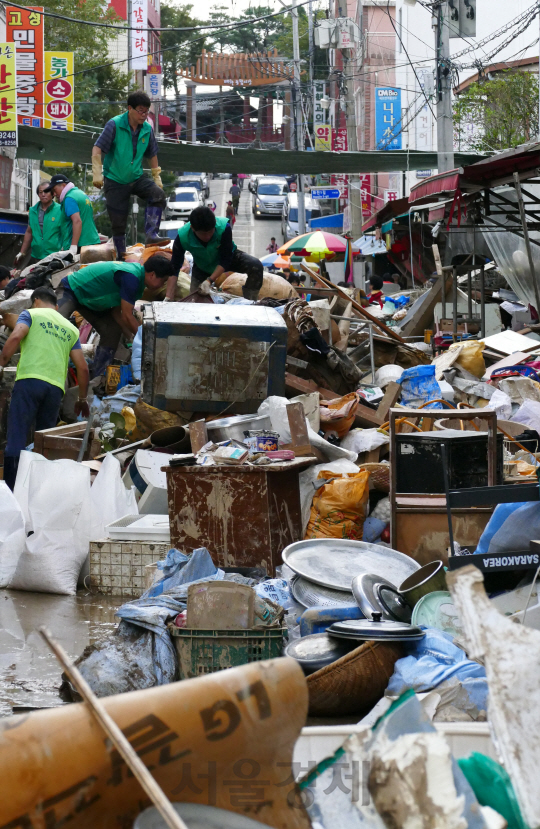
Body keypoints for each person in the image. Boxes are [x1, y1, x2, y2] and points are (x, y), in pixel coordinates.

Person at [0, 286, 89, 490]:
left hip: (29, 382)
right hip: (55, 389)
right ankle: (38, 492)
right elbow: (82, 368)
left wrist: (1, 364)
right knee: (43, 441)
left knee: (16, 437)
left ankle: (12, 492)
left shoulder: (30, 314)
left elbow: (15, 337)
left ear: (36, 301)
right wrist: (82, 400)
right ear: (56, 306)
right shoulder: (70, 328)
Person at [58, 254, 174, 378]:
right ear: (152, 275)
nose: (162, 286)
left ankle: (97, 377)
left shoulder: (138, 283)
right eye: (163, 281)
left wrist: (131, 338)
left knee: (112, 330)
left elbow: (117, 313)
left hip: (90, 301)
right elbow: (127, 316)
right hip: (71, 289)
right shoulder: (131, 278)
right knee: (55, 323)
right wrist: (146, 340)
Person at [91, 90, 167, 260]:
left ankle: (151, 235)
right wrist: (97, 172)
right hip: (115, 179)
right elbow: (97, 148)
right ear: (129, 109)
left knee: (158, 195)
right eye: (140, 110)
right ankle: (121, 256)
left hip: (136, 176)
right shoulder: (115, 124)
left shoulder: (147, 128)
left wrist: (156, 176)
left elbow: (152, 153)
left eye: (146, 111)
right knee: (118, 223)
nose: (143, 115)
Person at [167, 206, 263, 301]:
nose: (208, 237)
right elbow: (174, 268)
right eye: (203, 234)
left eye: (210, 232)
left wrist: (209, 281)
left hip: (228, 259)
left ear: (215, 224)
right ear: (193, 228)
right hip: (202, 267)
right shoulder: (183, 237)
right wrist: (168, 297)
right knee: (195, 301)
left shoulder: (224, 228)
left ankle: (250, 301)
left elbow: (226, 259)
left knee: (256, 266)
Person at [44, 174, 100, 256]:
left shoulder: (69, 198)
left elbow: (77, 221)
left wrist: (73, 247)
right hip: (92, 241)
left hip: (81, 246)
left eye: (54, 190)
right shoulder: (80, 193)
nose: (54, 194)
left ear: (63, 185)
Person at [14, 182, 63, 268]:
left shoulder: (60, 210)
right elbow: (29, 232)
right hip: (37, 255)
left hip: (55, 256)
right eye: (40, 192)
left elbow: (66, 232)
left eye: (46, 192)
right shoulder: (32, 211)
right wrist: (21, 253)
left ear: (52, 194)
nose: (43, 194)